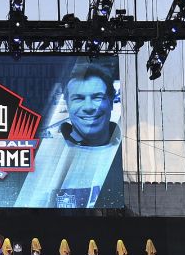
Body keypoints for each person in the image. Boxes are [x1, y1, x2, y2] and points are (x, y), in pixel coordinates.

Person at [15, 64, 123, 208]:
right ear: (67, 103)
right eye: (78, 98)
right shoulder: (42, 156)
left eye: (97, 97)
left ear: (111, 101)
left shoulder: (126, 150)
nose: (89, 107)